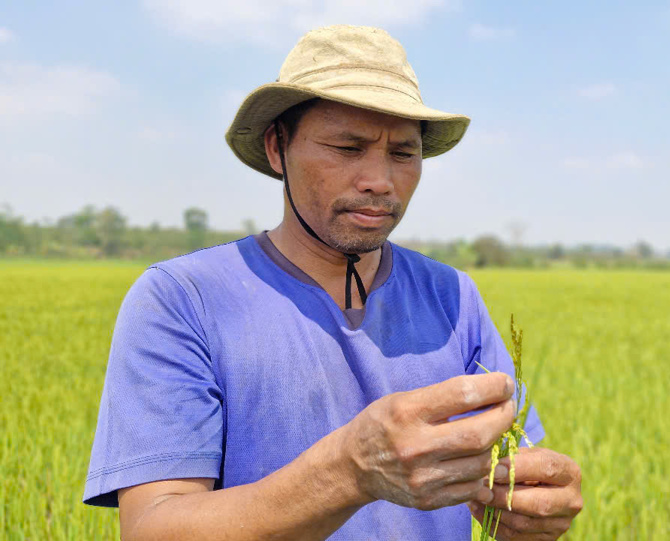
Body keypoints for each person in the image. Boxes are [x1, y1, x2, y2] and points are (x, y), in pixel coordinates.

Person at [83, 25, 583, 540]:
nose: (379, 180)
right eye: (347, 147)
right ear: (278, 148)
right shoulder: (183, 300)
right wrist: (349, 471)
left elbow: (513, 482)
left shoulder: (453, 297)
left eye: (403, 154)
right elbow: (152, 529)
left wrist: (534, 511)